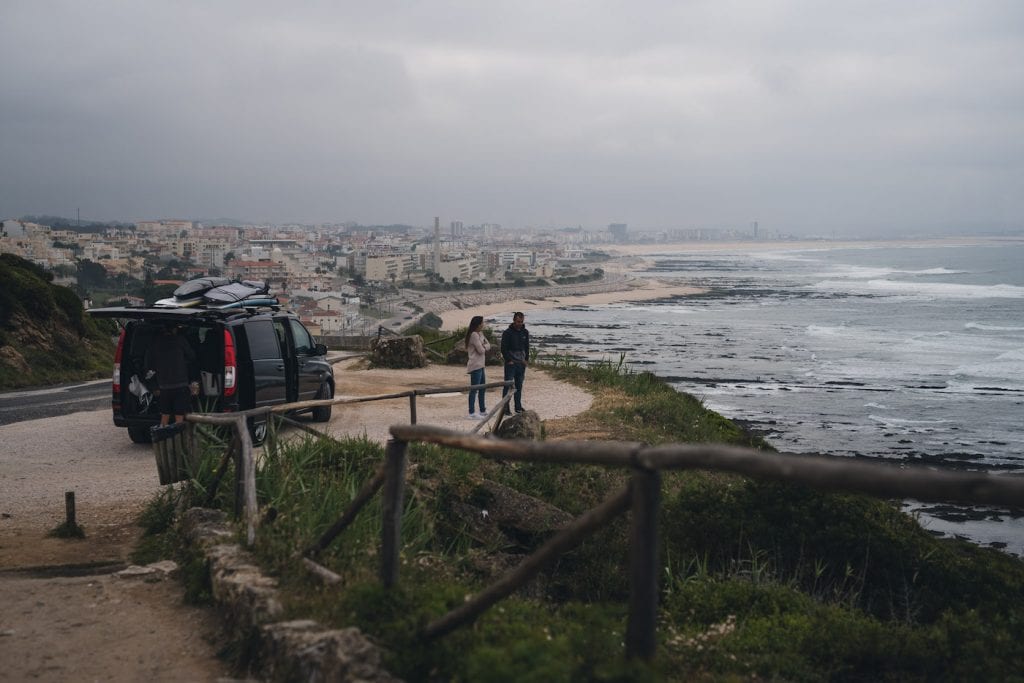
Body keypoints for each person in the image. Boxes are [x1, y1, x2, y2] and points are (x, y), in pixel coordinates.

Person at [145, 323, 199, 425]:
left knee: (165, 415)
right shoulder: (180, 340)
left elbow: (149, 368)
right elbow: (192, 356)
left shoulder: (155, 343)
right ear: (174, 329)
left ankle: (162, 437)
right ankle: (178, 436)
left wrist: (153, 386)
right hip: (180, 384)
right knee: (179, 415)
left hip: (163, 386)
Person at [500, 311, 529, 414]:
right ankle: (505, 408)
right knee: (507, 386)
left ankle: (518, 407)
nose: (519, 324)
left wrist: (526, 360)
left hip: (521, 363)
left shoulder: (525, 332)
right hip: (511, 364)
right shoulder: (507, 333)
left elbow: (527, 347)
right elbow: (503, 348)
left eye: (521, 322)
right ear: (513, 320)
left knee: (519, 386)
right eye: (518, 321)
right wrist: (509, 360)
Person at [465, 315, 491, 419]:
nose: (483, 324)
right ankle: (471, 412)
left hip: (481, 364)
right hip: (475, 365)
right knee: (474, 389)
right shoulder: (474, 335)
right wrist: (484, 346)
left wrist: (484, 345)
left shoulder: (480, 333)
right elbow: (481, 350)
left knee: (482, 388)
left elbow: (488, 345)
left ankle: (482, 410)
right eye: (482, 322)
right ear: (478, 324)